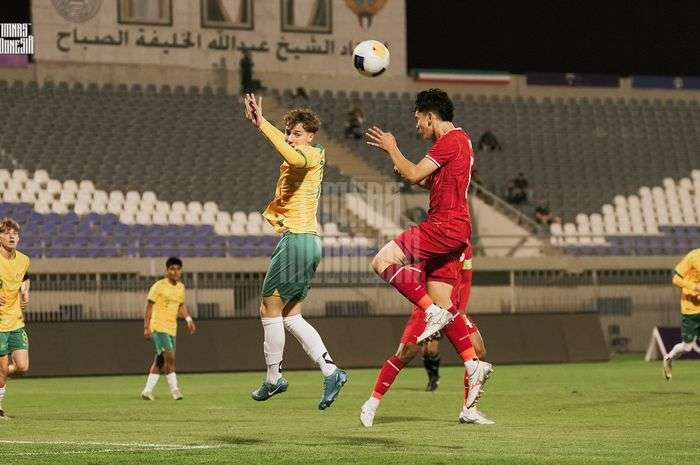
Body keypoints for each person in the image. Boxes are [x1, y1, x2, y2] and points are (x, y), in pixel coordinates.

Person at [364, 88, 491, 419]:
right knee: (447, 306)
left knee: (382, 261)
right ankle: (471, 373)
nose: (417, 125)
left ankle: (428, 311)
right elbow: (433, 184)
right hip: (454, 231)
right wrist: (410, 173)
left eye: (418, 118)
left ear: (430, 116)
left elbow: (413, 172)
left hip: (444, 227)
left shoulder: (449, 141)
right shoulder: (461, 142)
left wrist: (393, 149)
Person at [243, 93, 347, 410]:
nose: (291, 137)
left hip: (298, 239)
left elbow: (294, 157)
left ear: (311, 136)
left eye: (297, 132)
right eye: (289, 132)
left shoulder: (312, 154)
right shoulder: (304, 154)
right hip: (308, 240)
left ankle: (274, 378)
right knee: (291, 314)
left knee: (268, 309)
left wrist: (262, 124)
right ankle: (331, 371)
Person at [359, 248, 494, 427]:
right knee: (406, 353)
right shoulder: (438, 240)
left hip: (453, 308)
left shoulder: (465, 245)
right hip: (429, 308)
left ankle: (469, 410)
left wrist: (462, 309)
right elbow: (418, 268)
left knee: (479, 351)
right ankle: (371, 404)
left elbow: (466, 278)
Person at [141, 257, 196, 401]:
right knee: (170, 358)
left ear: (181, 271)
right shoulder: (159, 286)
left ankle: (147, 391)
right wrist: (146, 326)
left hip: (172, 328)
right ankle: (175, 390)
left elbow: (181, 305)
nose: (175, 271)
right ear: (167, 271)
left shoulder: (180, 287)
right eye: (172, 268)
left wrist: (188, 319)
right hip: (159, 327)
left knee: (160, 360)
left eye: (178, 269)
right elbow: (149, 306)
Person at [0, 218, 31, 420]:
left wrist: (25, 290)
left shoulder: (23, 259)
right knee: (2, 369)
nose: (12, 236)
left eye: (15, 233)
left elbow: (25, 277)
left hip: (16, 321)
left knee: (22, 367)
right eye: (7, 232)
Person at [663, 248, 700, 380]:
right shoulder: (693, 256)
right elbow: (675, 279)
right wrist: (695, 287)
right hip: (690, 310)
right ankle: (668, 358)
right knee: (687, 347)